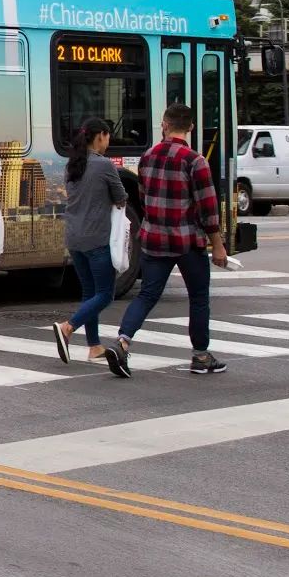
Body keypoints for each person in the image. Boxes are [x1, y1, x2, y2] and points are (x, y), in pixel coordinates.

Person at [104, 103, 229, 378]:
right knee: (198, 297)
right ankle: (201, 356)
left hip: (154, 238)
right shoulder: (195, 161)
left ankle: (122, 342)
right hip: (187, 241)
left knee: (147, 294)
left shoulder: (147, 157)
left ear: (164, 124)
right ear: (191, 127)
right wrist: (218, 245)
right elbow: (208, 208)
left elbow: (144, 198)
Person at [50, 119, 129, 364]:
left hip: (74, 238)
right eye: (108, 136)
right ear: (100, 136)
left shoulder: (72, 164)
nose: (109, 141)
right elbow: (121, 197)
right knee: (105, 294)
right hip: (96, 238)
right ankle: (68, 327)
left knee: (89, 292)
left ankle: (94, 347)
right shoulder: (104, 165)